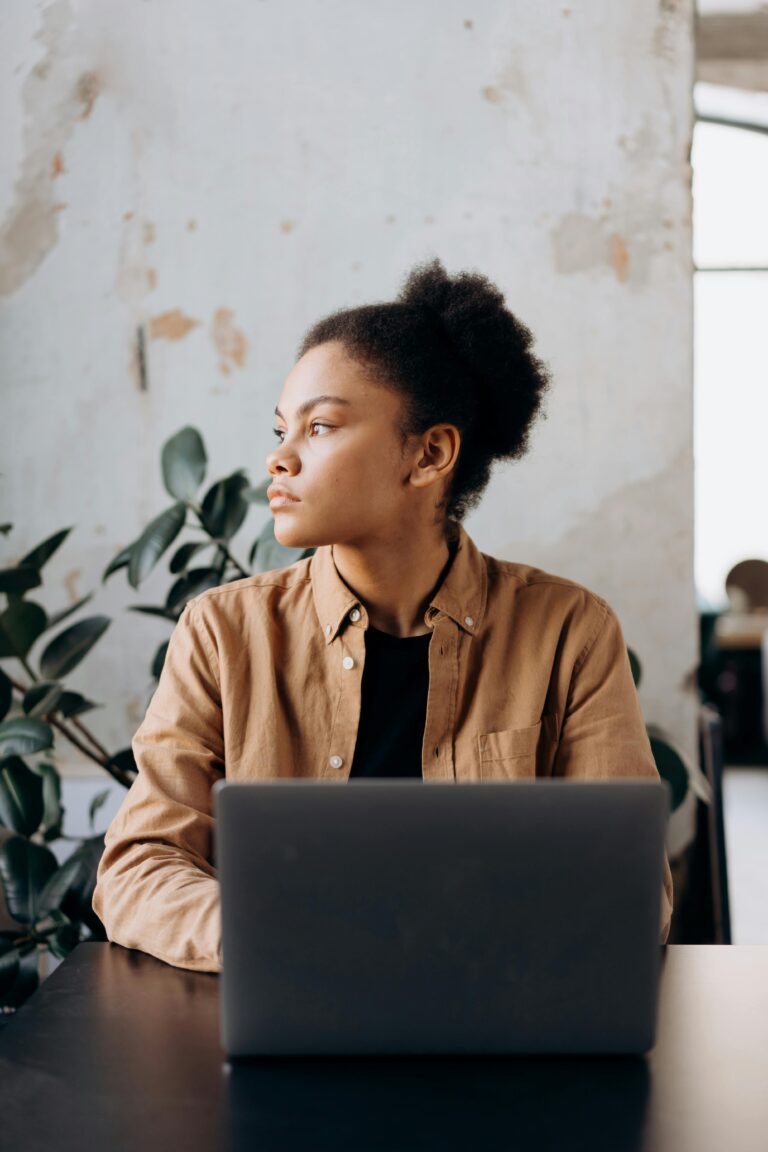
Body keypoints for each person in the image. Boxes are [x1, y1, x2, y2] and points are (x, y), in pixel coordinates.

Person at [92, 257, 674, 972]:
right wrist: (283, 936)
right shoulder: (223, 633)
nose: (280, 459)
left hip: (497, 1035)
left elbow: (631, 890)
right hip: (290, 1023)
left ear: (430, 454)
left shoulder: (568, 632)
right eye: (281, 430)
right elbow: (138, 867)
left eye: (321, 427)